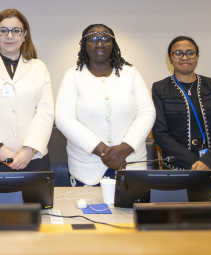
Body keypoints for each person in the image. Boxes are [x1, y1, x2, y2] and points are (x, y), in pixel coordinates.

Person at [55, 24, 155, 186]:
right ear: (84, 45)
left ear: (113, 44)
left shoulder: (130, 73)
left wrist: (126, 148)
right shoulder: (73, 75)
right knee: (88, 211)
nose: (99, 44)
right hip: (86, 168)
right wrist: (101, 150)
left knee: (130, 212)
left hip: (130, 164)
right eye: (93, 39)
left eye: (105, 39)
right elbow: (63, 118)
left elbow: (147, 113)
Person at [0, 9, 54, 171]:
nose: (10, 36)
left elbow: (46, 113)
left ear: (24, 35)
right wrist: (0, 149)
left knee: (33, 197)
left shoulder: (39, 68)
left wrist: (29, 149)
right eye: (3, 30)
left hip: (32, 157)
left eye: (16, 31)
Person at [151, 36, 211, 173]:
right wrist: (195, 163)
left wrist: (208, 162)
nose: (184, 57)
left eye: (190, 53)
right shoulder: (160, 88)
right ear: (170, 58)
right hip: (176, 167)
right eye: (178, 53)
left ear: (197, 57)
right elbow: (160, 133)